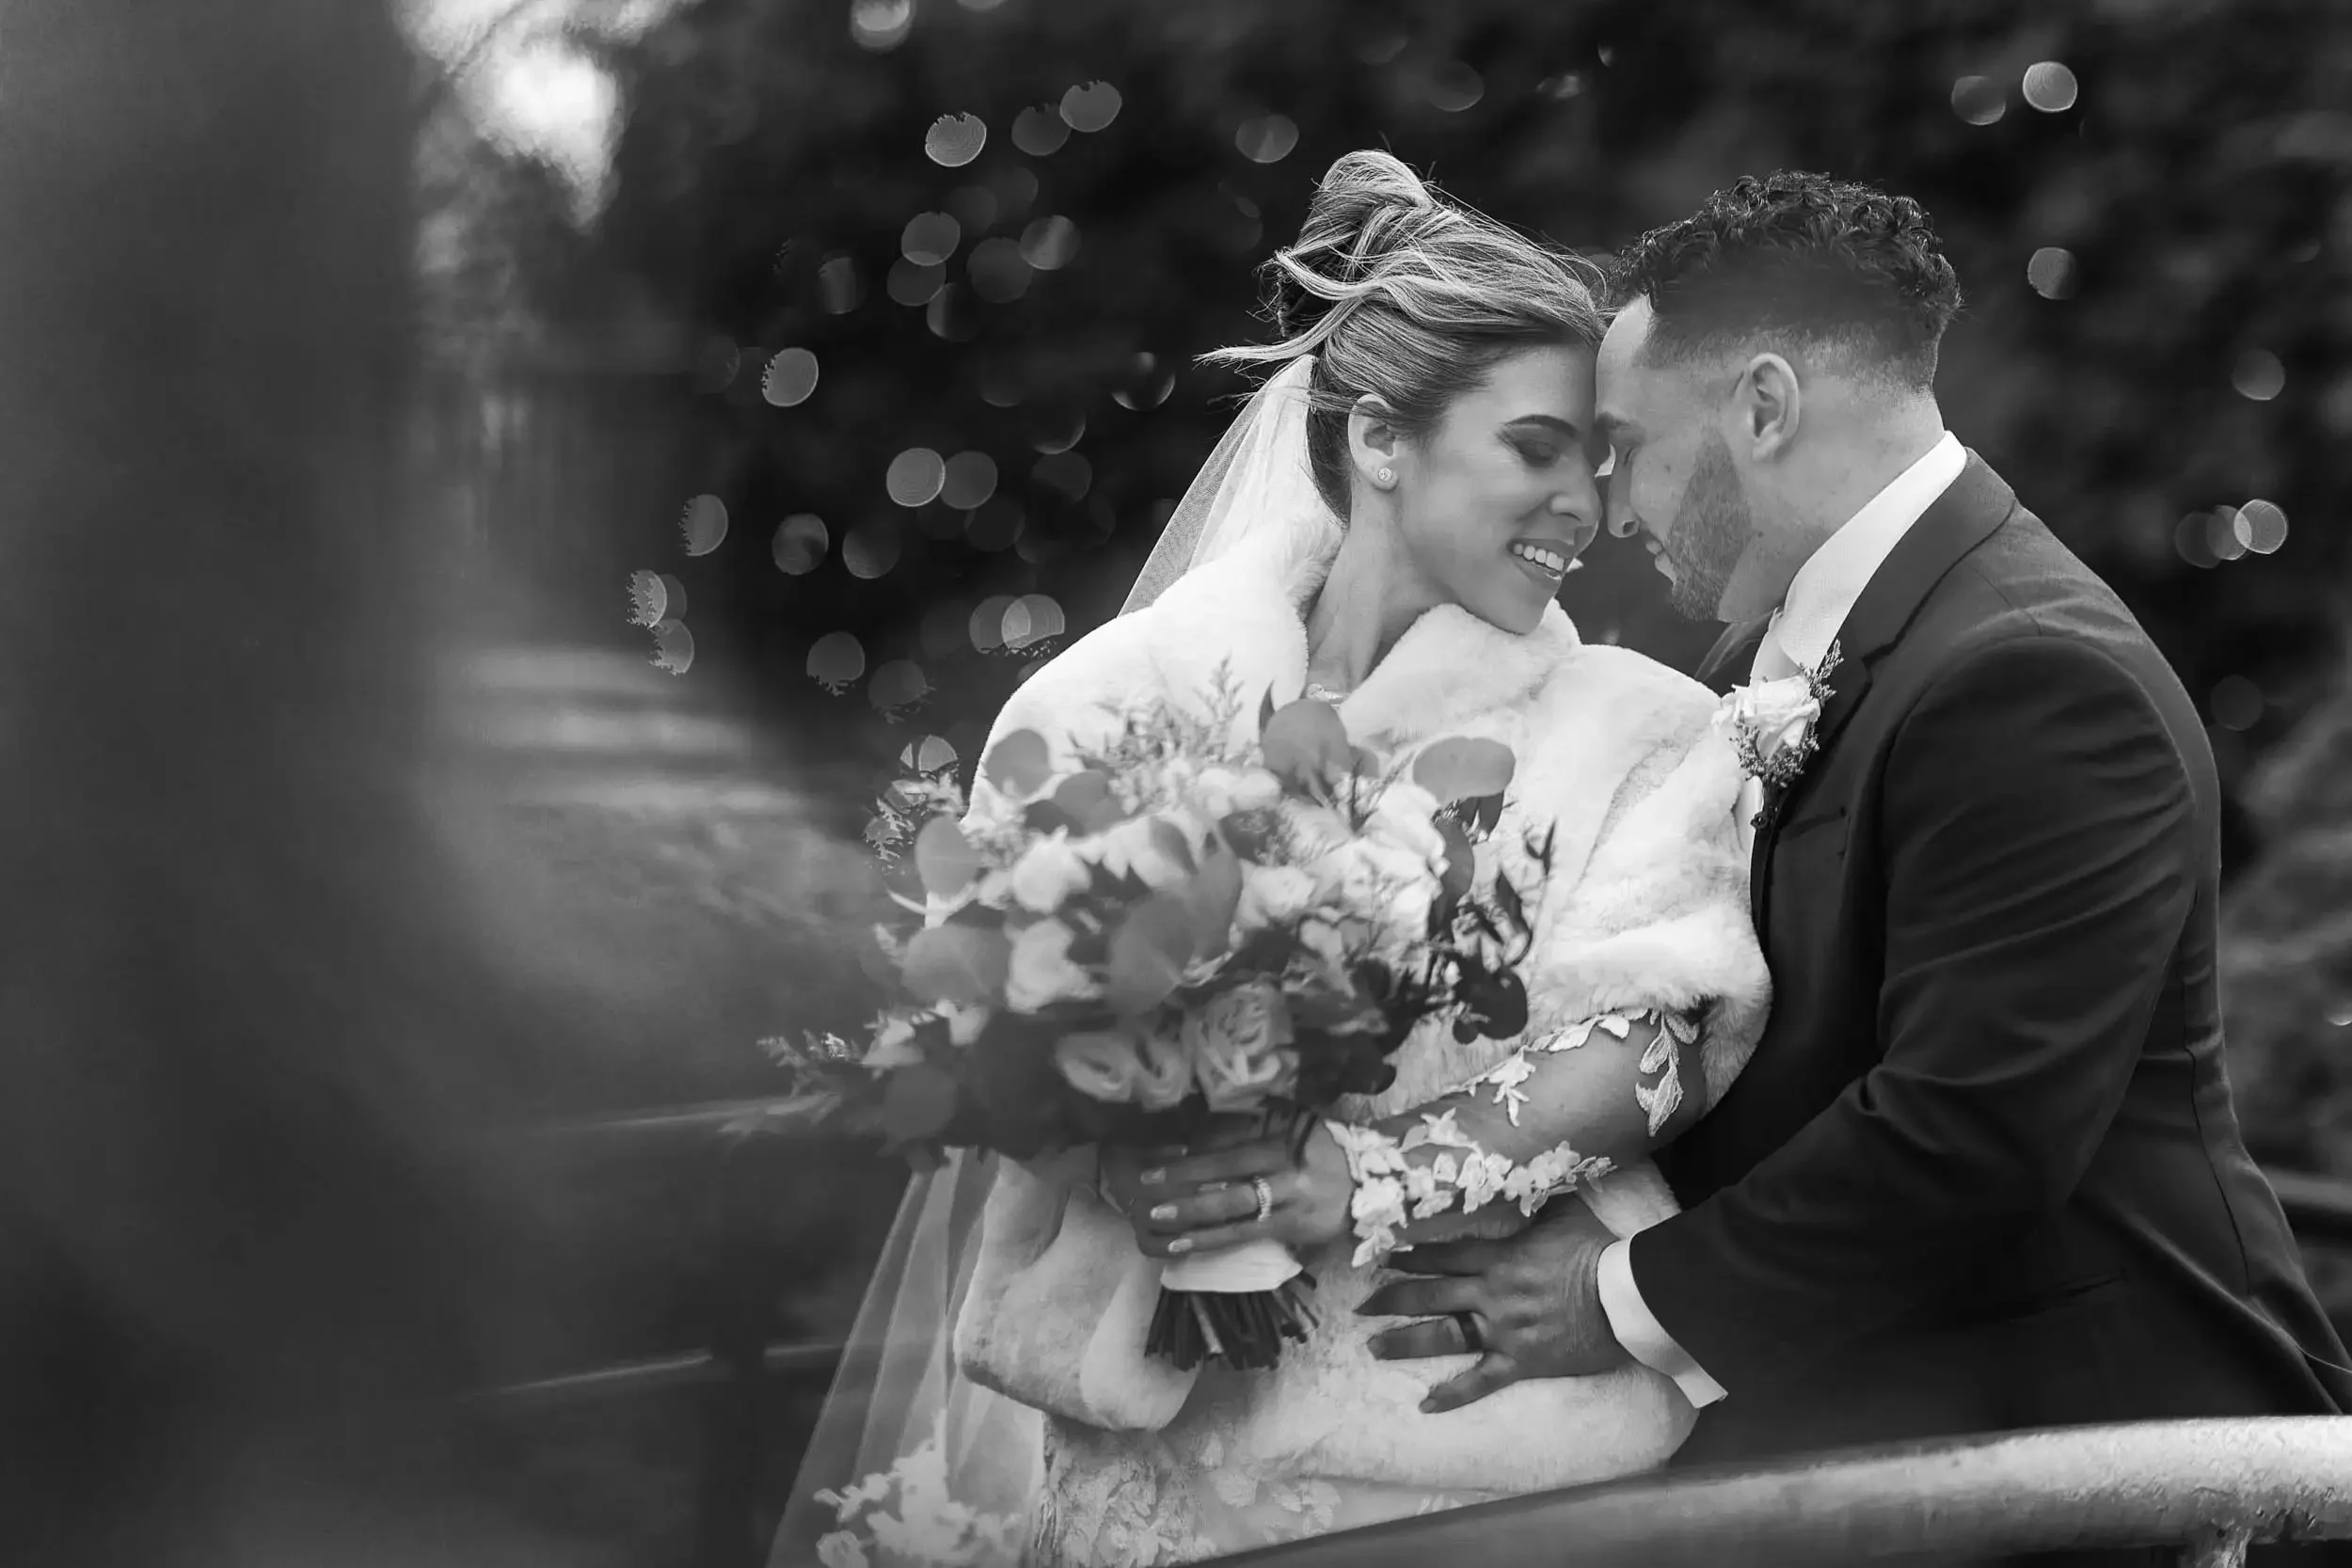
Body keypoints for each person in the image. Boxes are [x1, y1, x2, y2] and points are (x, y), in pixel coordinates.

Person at [775, 150, 1772, 1566]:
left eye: (1598, 462)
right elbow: (989, 1023)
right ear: (1381, 441)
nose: (1587, 506)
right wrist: (1131, 1118)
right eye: (1538, 449)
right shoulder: (1108, 699)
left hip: (1478, 1456)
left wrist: (1360, 1177)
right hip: (1147, 1463)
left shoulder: (1644, 728)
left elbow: (1655, 1039)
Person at [1359, 170, 2352, 1560]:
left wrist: (1610, 1296)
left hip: (2101, 1464)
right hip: (1881, 1446)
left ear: (1764, 409)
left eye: (1630, 444)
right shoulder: (1785, 649)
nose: (1609, 500)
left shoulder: (2036, 674)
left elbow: (1969, 1132)